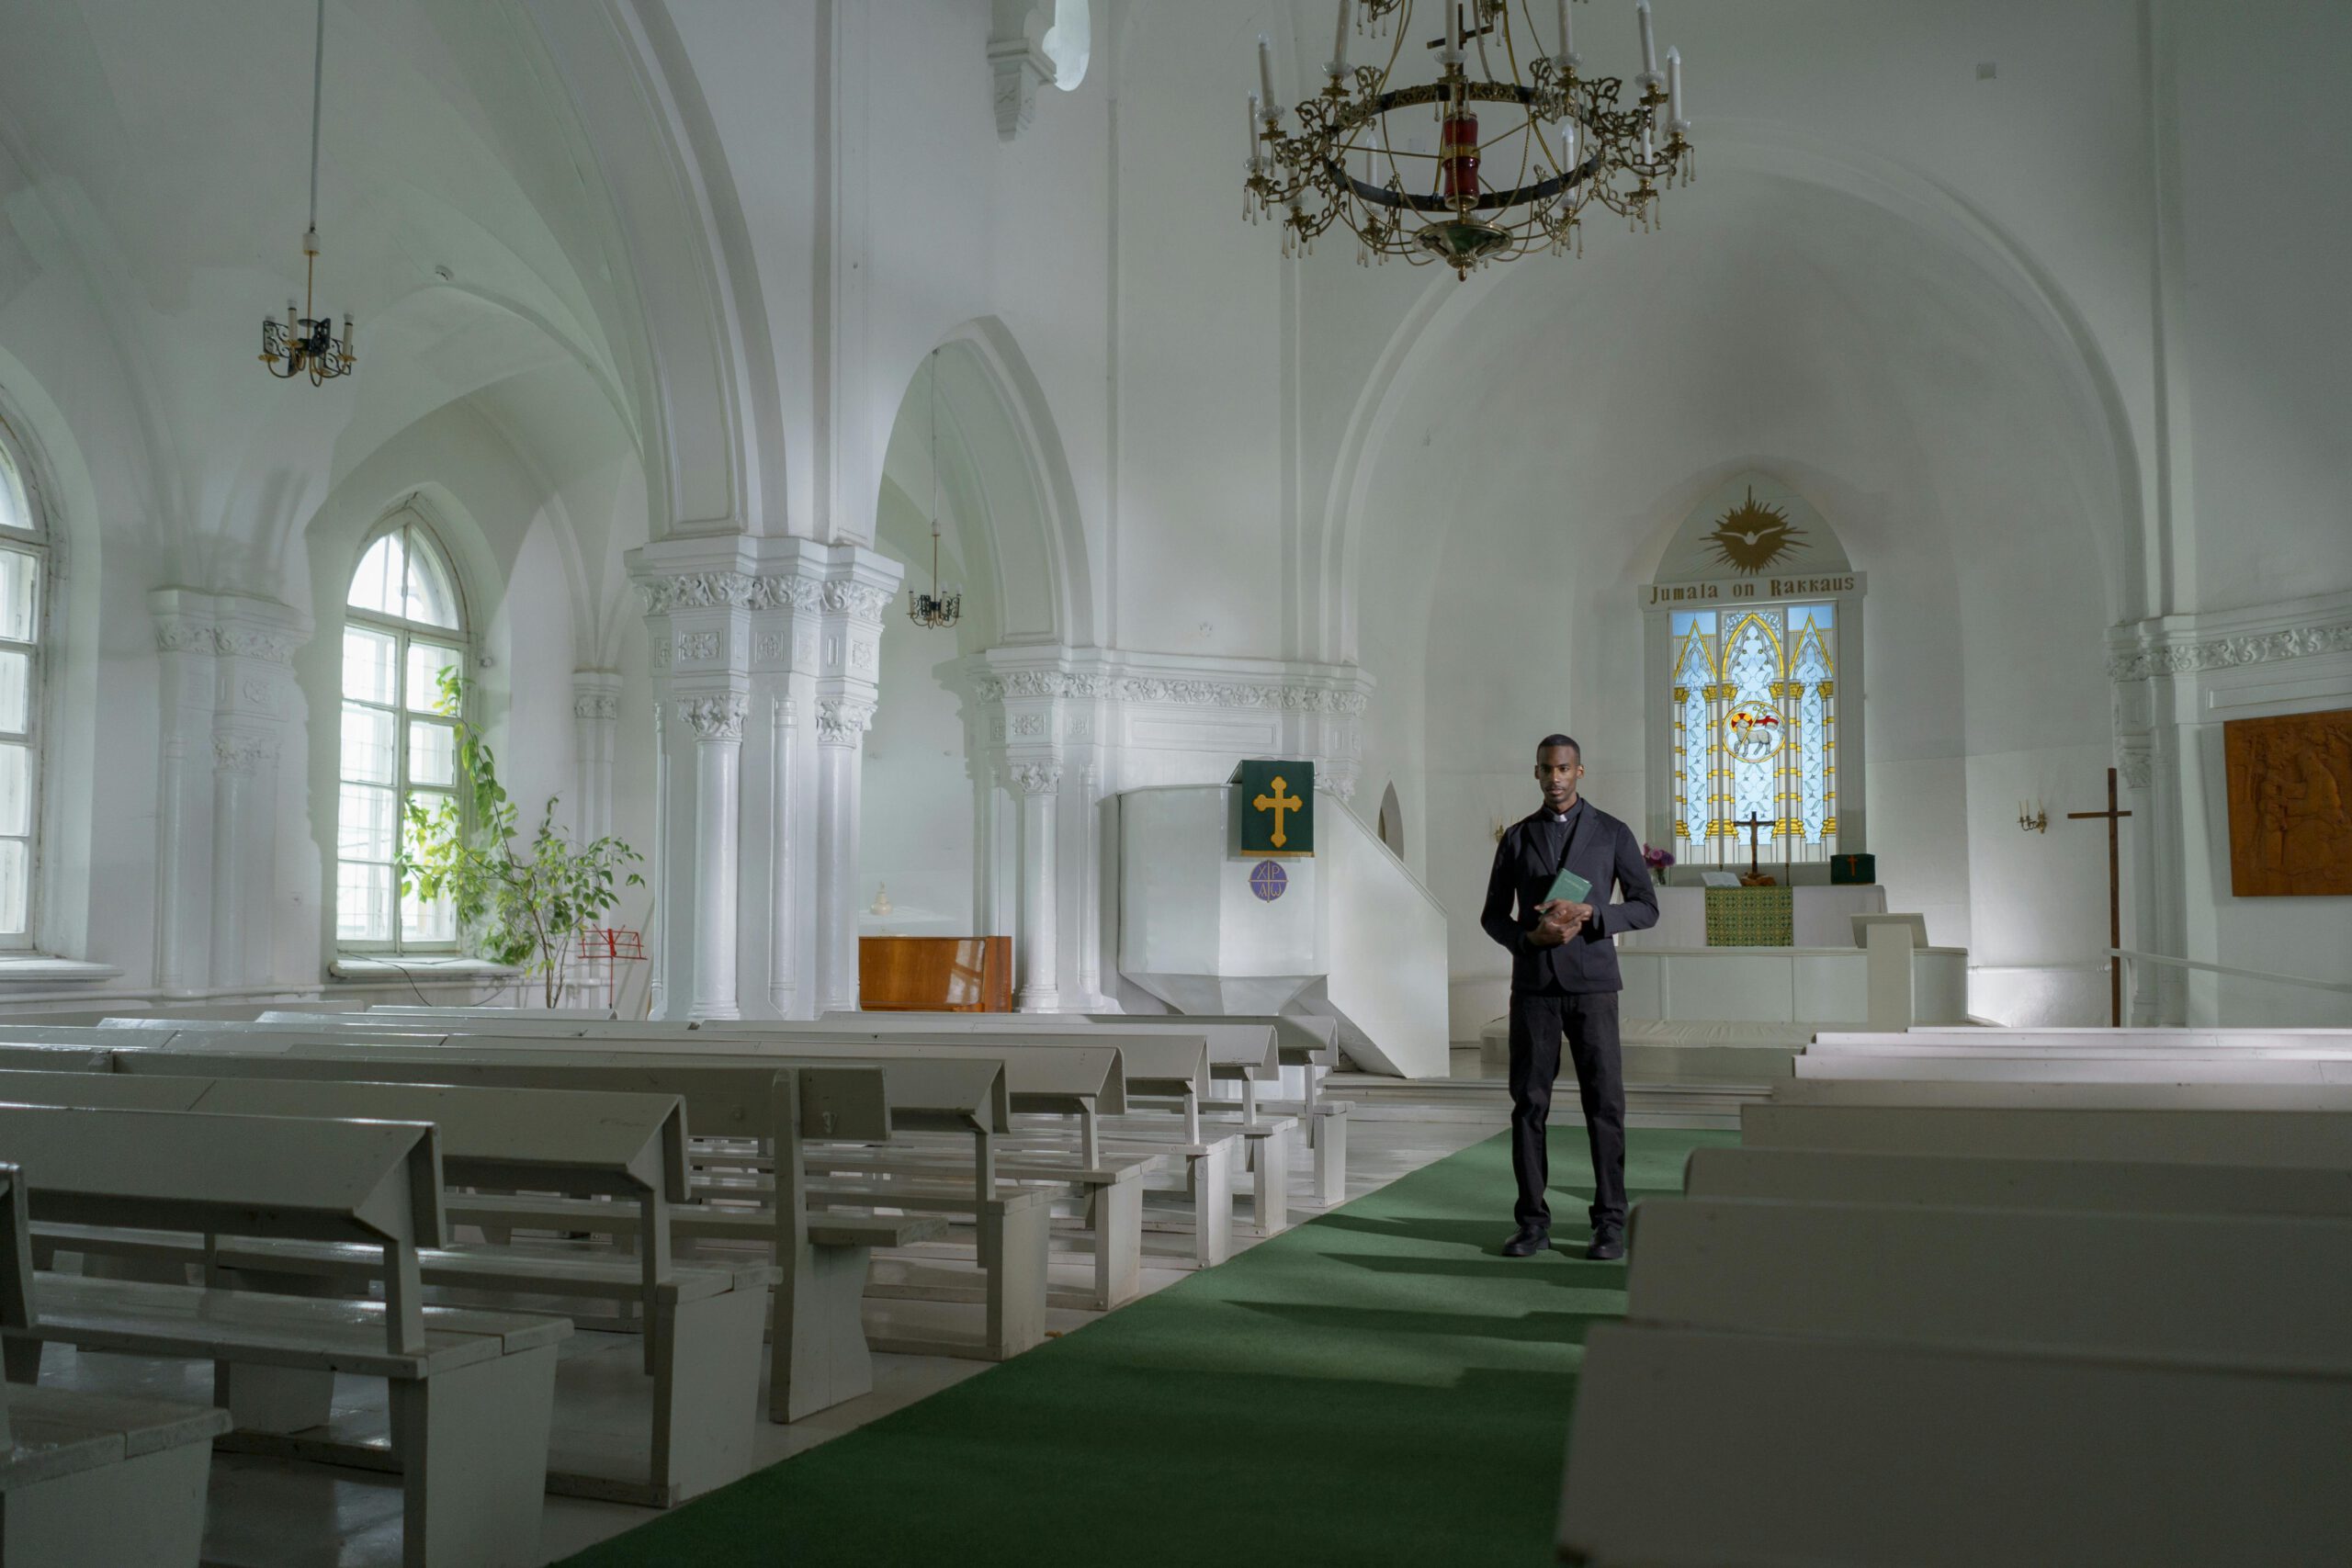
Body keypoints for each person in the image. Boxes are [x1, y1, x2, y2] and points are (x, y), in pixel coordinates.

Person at [1478, 733, 1659, 1259]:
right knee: (1529, 1106)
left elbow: (1646, 907)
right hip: (1534, 988)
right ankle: (1532, 1223)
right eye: (1545, 769)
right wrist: (1528, 939)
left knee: (1605, 1105)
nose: (1554, 778)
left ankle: (1610, 1224)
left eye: (1563, 768)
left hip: (1594, 988)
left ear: (1580, 771)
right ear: (1536, 773)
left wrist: (1593, 913)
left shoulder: (1612, 832)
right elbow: (1492, 916)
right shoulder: (1517, 837)